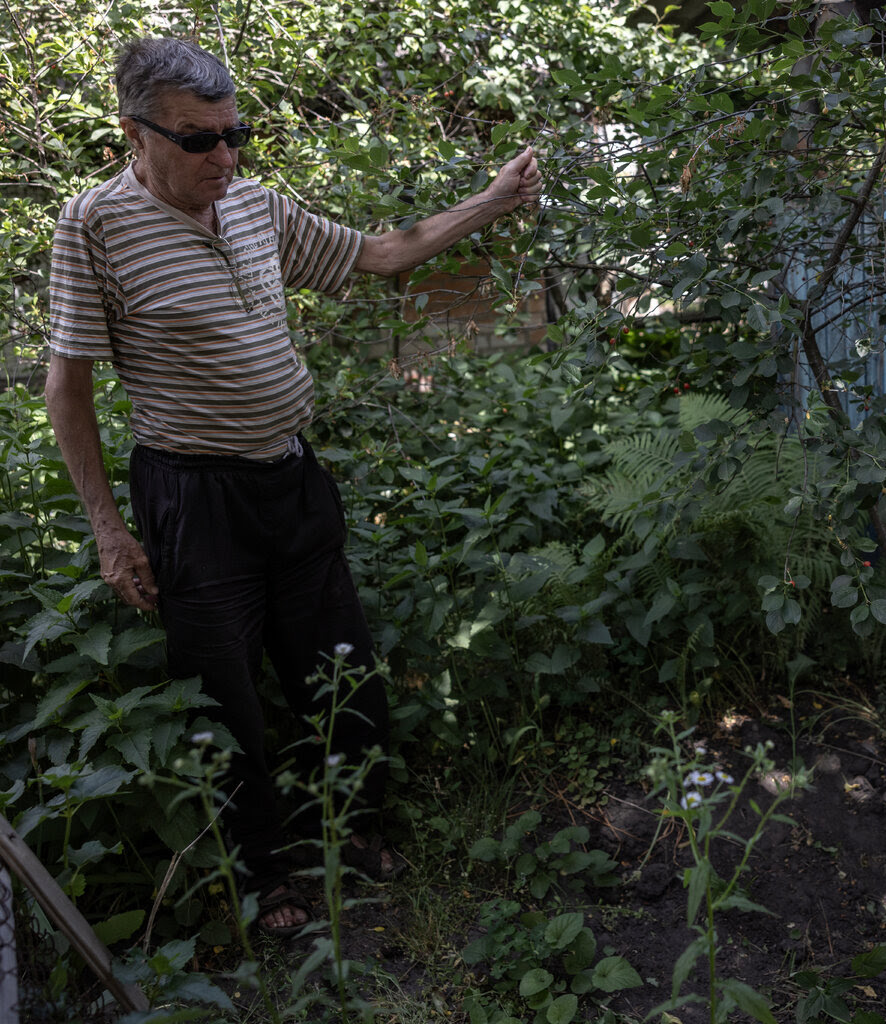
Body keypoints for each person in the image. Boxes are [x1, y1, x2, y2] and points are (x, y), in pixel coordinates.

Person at [44, 36, 541, 938]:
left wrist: (494, 200)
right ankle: (265, 877)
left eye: (236, 135)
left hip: (289, 475)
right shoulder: (93, 226)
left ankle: (356, 832)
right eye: (199, 141)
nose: (224, 158)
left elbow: (383, 256)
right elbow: (66, 386)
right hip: (193, 497)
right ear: (136, 133)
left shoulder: (256, 206)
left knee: (339, 665)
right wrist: (112, 533)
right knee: (224, 695)